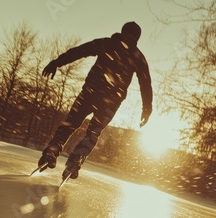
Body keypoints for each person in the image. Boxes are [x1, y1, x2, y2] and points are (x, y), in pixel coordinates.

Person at [39, 21, 153, 179]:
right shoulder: (108, 44)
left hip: (109, 101)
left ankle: (76, 158)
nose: (129, 38)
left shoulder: (136, 57)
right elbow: (80, 51)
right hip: (92, 94)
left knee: (92, 132)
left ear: (136, 38)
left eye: (132, 36)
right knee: (72, 123)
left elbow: (145, 83)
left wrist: (147, 108)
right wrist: (57, 63)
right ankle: (52, 151)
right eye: (128, 34)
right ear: (123, 32)